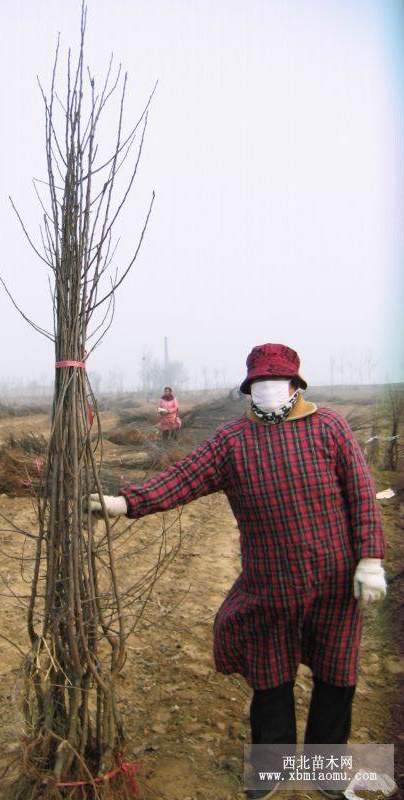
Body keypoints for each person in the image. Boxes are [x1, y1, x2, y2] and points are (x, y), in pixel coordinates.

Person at [91, 343, 387, 800]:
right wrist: (126, 502)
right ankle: (271, 769)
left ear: (295, 386)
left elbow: (363, 495)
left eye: (277, 383)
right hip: (269, 586)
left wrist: (370, 559)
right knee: (271, 679)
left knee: (336, 676)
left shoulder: (330, 428)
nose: (268, 391)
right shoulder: (232, 442)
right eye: (259, 385)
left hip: (336, 583)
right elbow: (183, 477)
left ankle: (327, 767)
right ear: (248, 390)